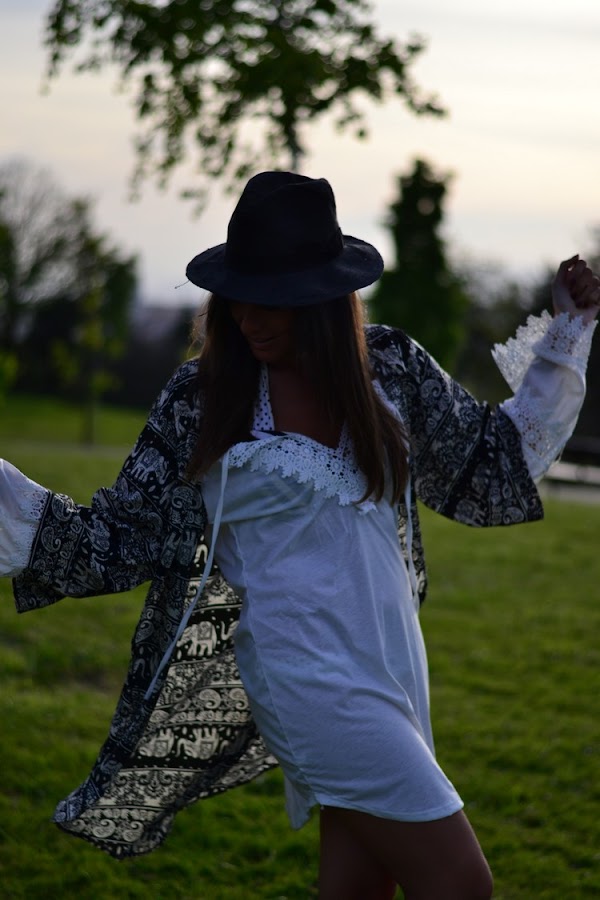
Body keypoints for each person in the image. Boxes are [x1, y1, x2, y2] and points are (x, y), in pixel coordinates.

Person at [1, 171, 599, 900]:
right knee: (460, 884)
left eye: (272, 300)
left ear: (321, 298)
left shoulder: (390, 367)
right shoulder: (202, 398)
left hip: (390, 662)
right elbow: (119, 536)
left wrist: (568, 329)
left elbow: (492, 463)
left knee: (360, 886)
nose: (249, 318)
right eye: (239, 295)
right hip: (305, 677)